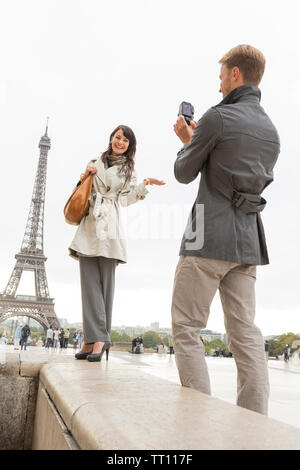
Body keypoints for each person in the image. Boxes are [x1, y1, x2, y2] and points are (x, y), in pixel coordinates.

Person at [171, 44, 280, 416]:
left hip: (206, 235)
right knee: (244, 332)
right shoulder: (272, 132)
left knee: (186, 327)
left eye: (221, 78)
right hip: (247, 241)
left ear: (235, 75)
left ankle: (197, 418)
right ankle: (254, 421)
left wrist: (188, 141)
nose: (218, 87)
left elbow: (184, 172)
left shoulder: (217, 118)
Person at [68, 125, 165, 362]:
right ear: (111, 138)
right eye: (117, 137)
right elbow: (81, 193)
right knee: (88, 286)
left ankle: (99, 340)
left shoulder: (128, 169)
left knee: (105, 287)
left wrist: (144, 185)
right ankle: (92, 340)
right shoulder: (94, 162)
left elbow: (125, 200)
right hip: (90, 224)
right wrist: (83, 178)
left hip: (109, 226)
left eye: (125, 140)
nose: (120, 142)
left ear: (130, 146)